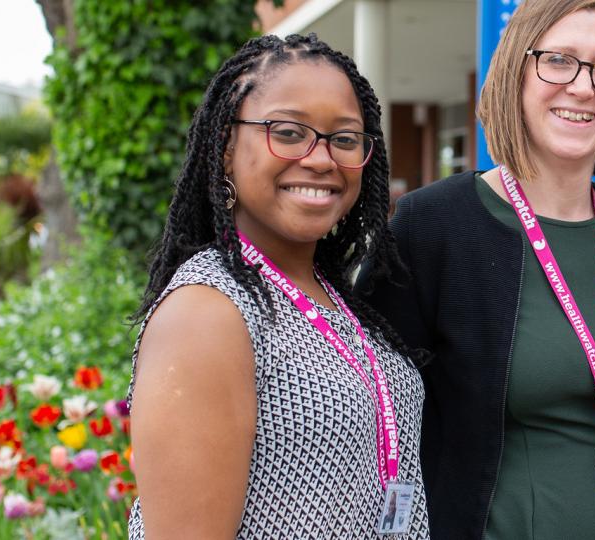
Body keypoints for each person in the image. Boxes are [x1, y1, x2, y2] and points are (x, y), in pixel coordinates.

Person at [361, 0, 595, 537]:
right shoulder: (435, 226)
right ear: (515, 75)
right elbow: (369, 414)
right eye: (559, 60)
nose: (582, 86)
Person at [126, 34, 429, 538]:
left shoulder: (333, 297)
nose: (320, 158)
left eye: (345, 138)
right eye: (288, 132)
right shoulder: (207, 311)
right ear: (225, 148)